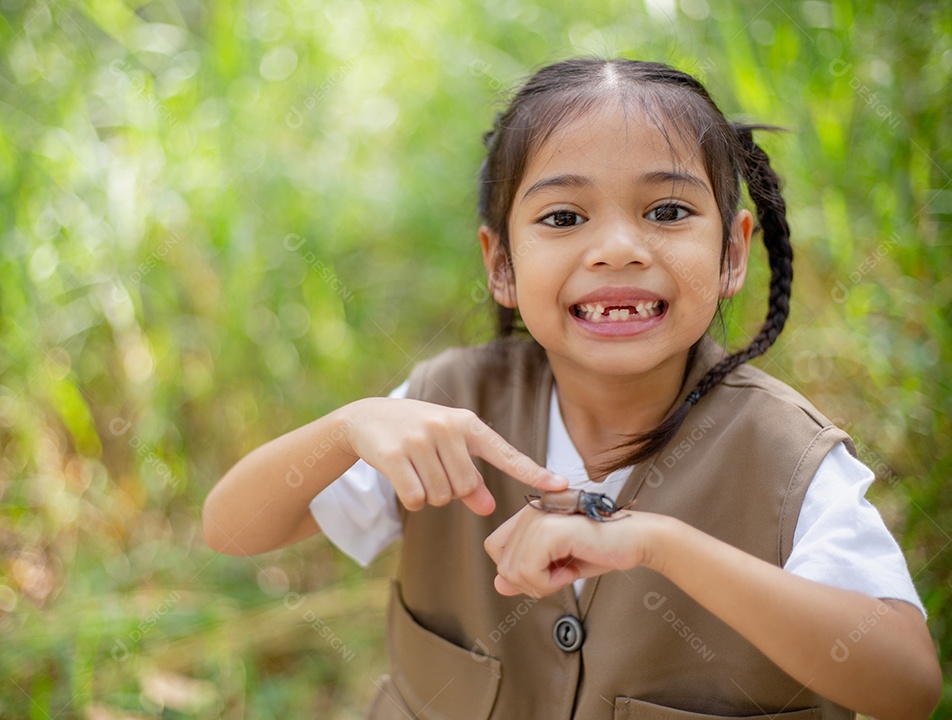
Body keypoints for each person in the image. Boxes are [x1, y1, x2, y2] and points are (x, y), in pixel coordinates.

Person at [203, 57, 940, 719]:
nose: (618, 248)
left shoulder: (787, 460)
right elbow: (232, 531)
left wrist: (658, 545)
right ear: (502, 267)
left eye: (668, 211)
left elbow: (907, 685)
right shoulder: (448, 403)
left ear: (732, 253)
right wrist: (346, 427)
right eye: (563, 217)